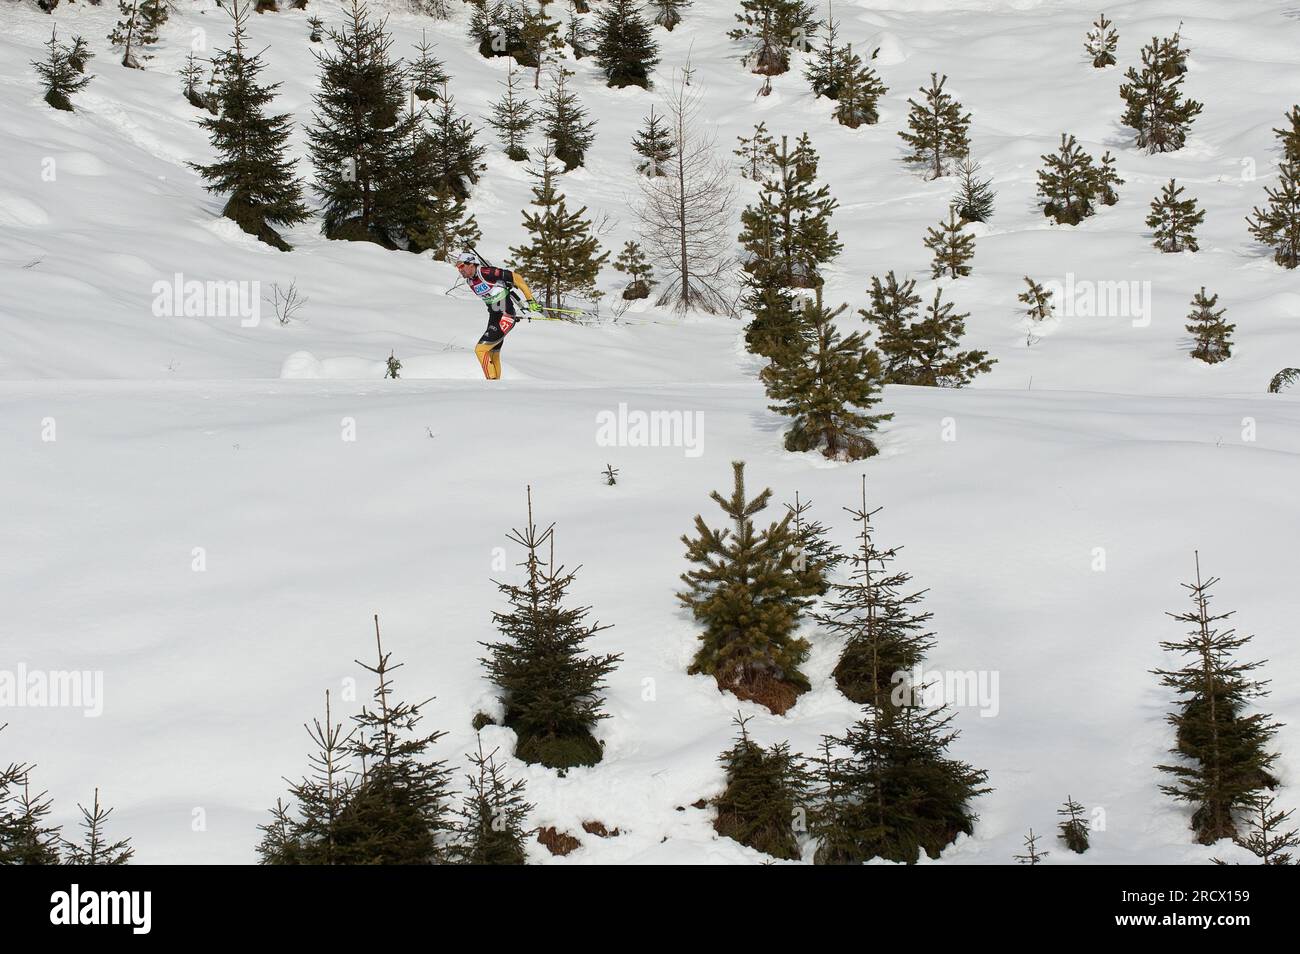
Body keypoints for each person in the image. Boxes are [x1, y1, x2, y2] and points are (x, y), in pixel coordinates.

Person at [453, 251, 542, 380]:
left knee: (480, 350)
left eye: (461, 266)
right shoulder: (470, 281)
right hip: (494, 318)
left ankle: (490, 384)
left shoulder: (486, 272)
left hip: (505, 316)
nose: (460, 270)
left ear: (471, 264)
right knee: (492, 353)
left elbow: (517, 278)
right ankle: (496, 386)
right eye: (458, 267)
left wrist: (530, 300)